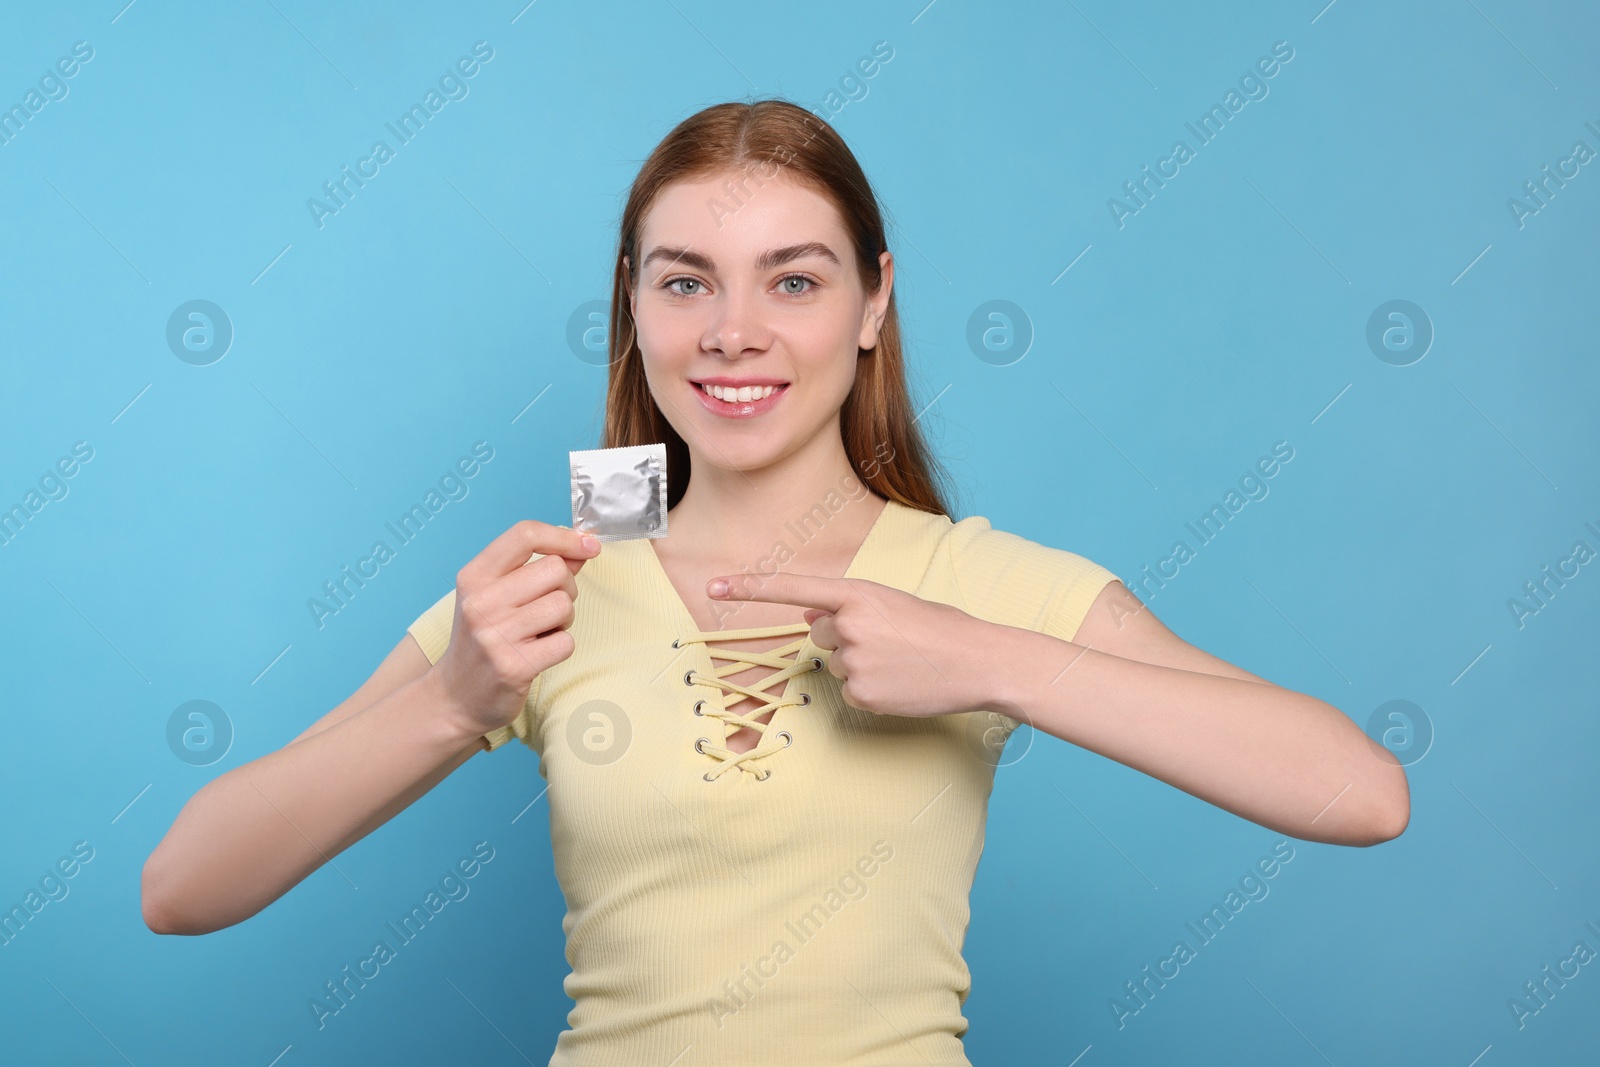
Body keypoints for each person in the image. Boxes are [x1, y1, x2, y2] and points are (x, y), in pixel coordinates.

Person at [141, 98, 1409, 1063]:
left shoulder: (973, 580)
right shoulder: (547, 586)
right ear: (633, 310)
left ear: (872, 303)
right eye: (683, 280)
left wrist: (992, 659)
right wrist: (452, 700)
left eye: (792, 280)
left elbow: (1360, 790)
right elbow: (185, 886)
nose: (731, 330)